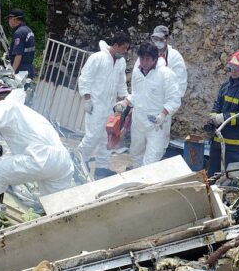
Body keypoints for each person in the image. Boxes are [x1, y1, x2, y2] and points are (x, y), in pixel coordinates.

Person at [0, 85, 74, 202]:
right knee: (55, 204)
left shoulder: (5, 105)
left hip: (39, 158)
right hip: (62, 162)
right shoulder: (26, 111)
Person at [116, 43, 180, 168]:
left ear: (155, 59)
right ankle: (137, 184)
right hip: (138, 122)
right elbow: (136, 95)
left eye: (147, 59)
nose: (144, 63)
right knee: (135, 155)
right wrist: (125, 102)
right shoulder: (137, 72)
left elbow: (175, 100)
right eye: (141, 59)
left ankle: (147, 183)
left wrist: (162, 115)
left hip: (156, 124)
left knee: (152, 159)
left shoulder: (166, 74)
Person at [77, 32, 130, 179]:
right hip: (95, 104)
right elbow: (84, 79)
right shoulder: (97, 58)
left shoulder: (121, 62)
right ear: (115, 45)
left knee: (107, 136)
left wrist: (125, 100)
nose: (125, 51)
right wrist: (87, 99)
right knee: (92, 135)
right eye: (123, 48)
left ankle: (102, 167)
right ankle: (81, 159)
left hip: (110, 105)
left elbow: (121, 83)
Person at [134, 25, 187, 150]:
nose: (157, 42)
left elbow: (180, 86)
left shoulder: (175, 57)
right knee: (138, 144)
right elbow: (138, 79)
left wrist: (166, 109)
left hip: (161, 107)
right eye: (155, 38)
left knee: (157, 146)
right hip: (144, 106)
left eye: (160, 39)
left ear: (166, 39)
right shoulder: (145, 54)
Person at [207, 49, 239, 176]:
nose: (233, 70)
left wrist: (222, 118)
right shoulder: (225, 86)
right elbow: (217, 104)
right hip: (218, 142)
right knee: (212, 176)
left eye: (237, 68)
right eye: (232, 67)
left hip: (235, 147)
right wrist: (213, 117)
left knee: (232, 180)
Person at [7, 9, 35, 79]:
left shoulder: (19, 33)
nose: (9, 21)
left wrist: (12, 73)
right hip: (28, 69)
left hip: (21, 72)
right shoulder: (28, 30)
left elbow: (18, 55)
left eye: (9, 19)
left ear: (14, 19)